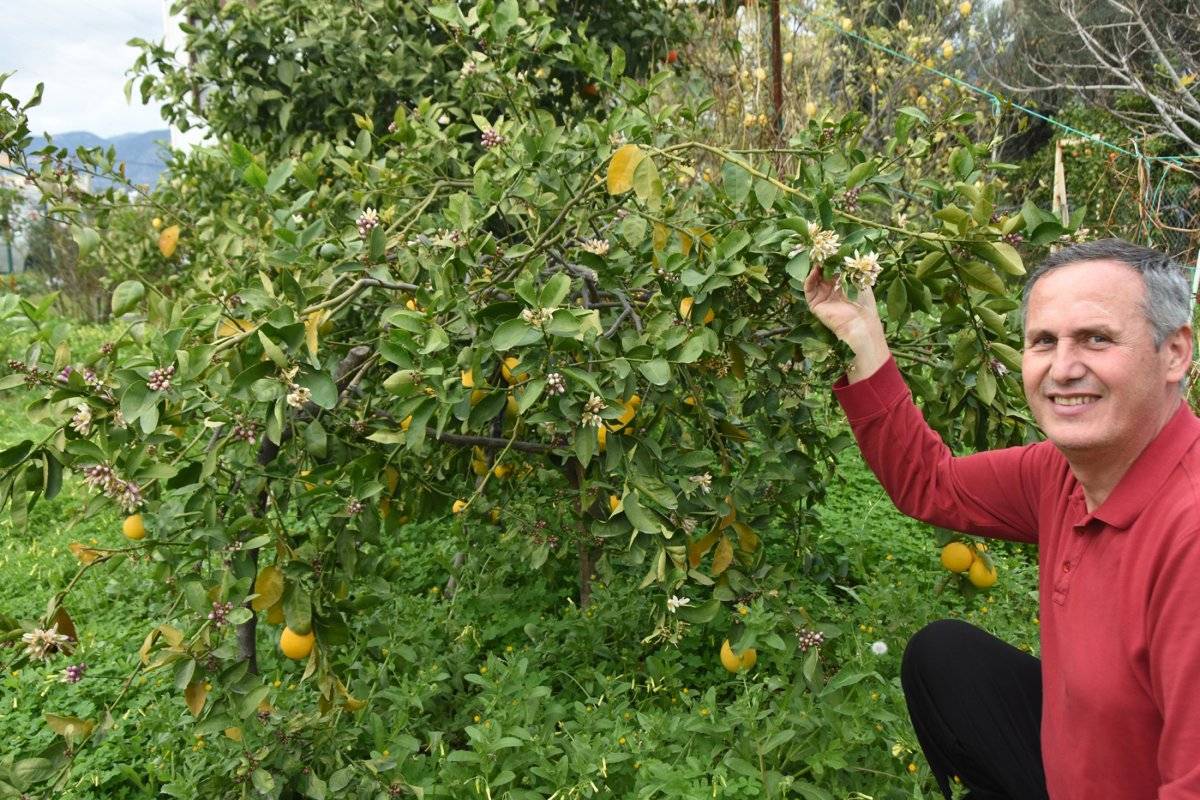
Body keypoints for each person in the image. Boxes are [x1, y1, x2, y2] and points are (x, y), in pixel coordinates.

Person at [802, 239, 1200, 800]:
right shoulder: (1064, 473)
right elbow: (931, 482)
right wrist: (863, 336)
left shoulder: (1188, 538)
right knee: (946, 658)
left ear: (1175, 352)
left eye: (1097, 338)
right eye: (1043, 342)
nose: (1063, 369)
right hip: (1082, 756)